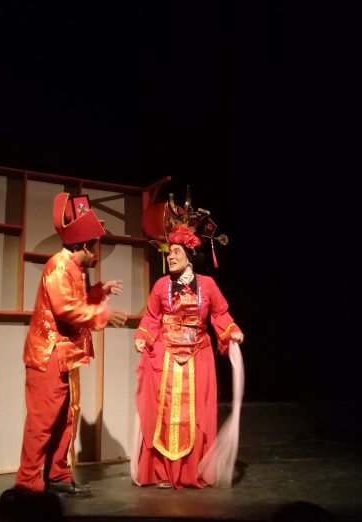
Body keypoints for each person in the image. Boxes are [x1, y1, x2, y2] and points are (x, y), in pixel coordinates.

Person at [14, 192, 127, 498]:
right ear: (85, 246)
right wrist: (102, 314)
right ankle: (27, 483)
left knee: (66, 417)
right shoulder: (58, 266)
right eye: (96, 246)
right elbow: (65, 308)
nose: (98, 253)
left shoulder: (75, 269)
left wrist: (99, 292)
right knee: (42, 421)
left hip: (65, 356)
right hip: (48, 355)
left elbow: (76, 300)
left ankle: (57, 475)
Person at [131, 191, 245, 489]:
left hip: (197, 357)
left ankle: (190, 472)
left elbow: (220, 314)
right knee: (165, 414)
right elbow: (151, 318)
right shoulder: (161, 286)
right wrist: (143, 336)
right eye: (168, 253)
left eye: (176, 252)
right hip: (166, 356)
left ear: (190, 254)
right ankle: (162, 472)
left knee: (194, 415)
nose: (170, 256)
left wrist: (231, 330)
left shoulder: (208, 285)